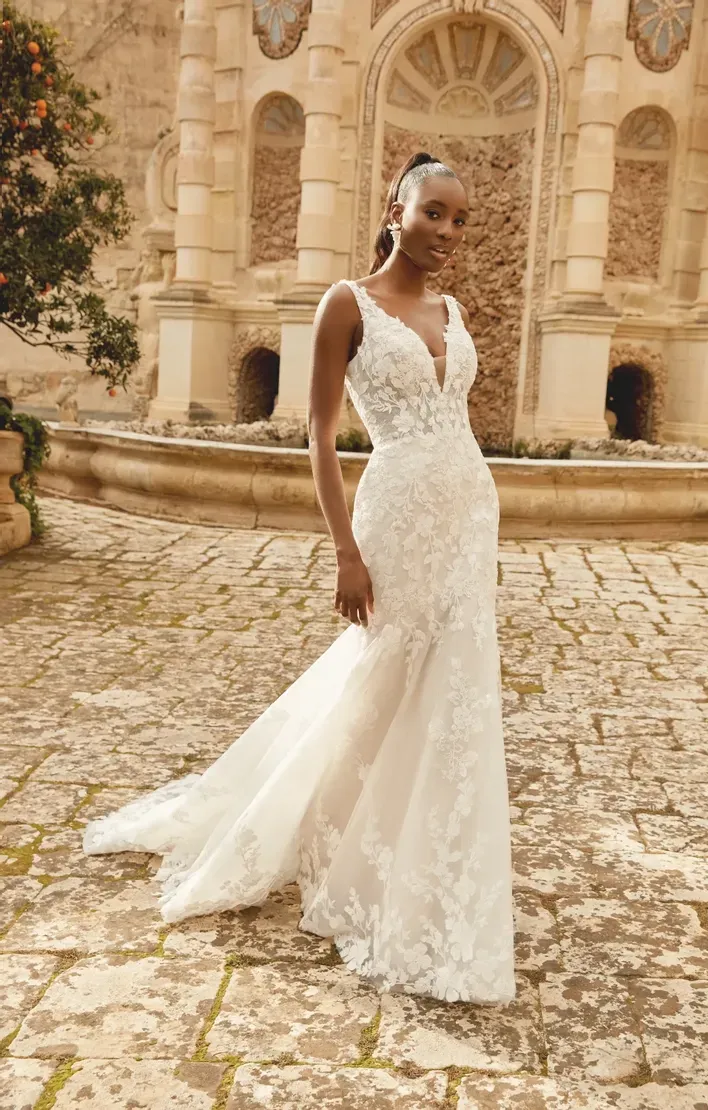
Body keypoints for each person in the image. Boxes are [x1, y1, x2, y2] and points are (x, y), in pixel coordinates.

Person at [83, 152, 516, 1005]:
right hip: (394, 511)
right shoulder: (345, 304)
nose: (448, 233)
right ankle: (321, 828)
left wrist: (477, 515)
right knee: (378, 671)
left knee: (455, 684)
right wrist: (346, 551)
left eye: (461, 220)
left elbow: (455, 420)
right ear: (396, 209)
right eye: (434, 213)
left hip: (467, 509)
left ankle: (438, 858)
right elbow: (318, 435)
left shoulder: (451, 308)